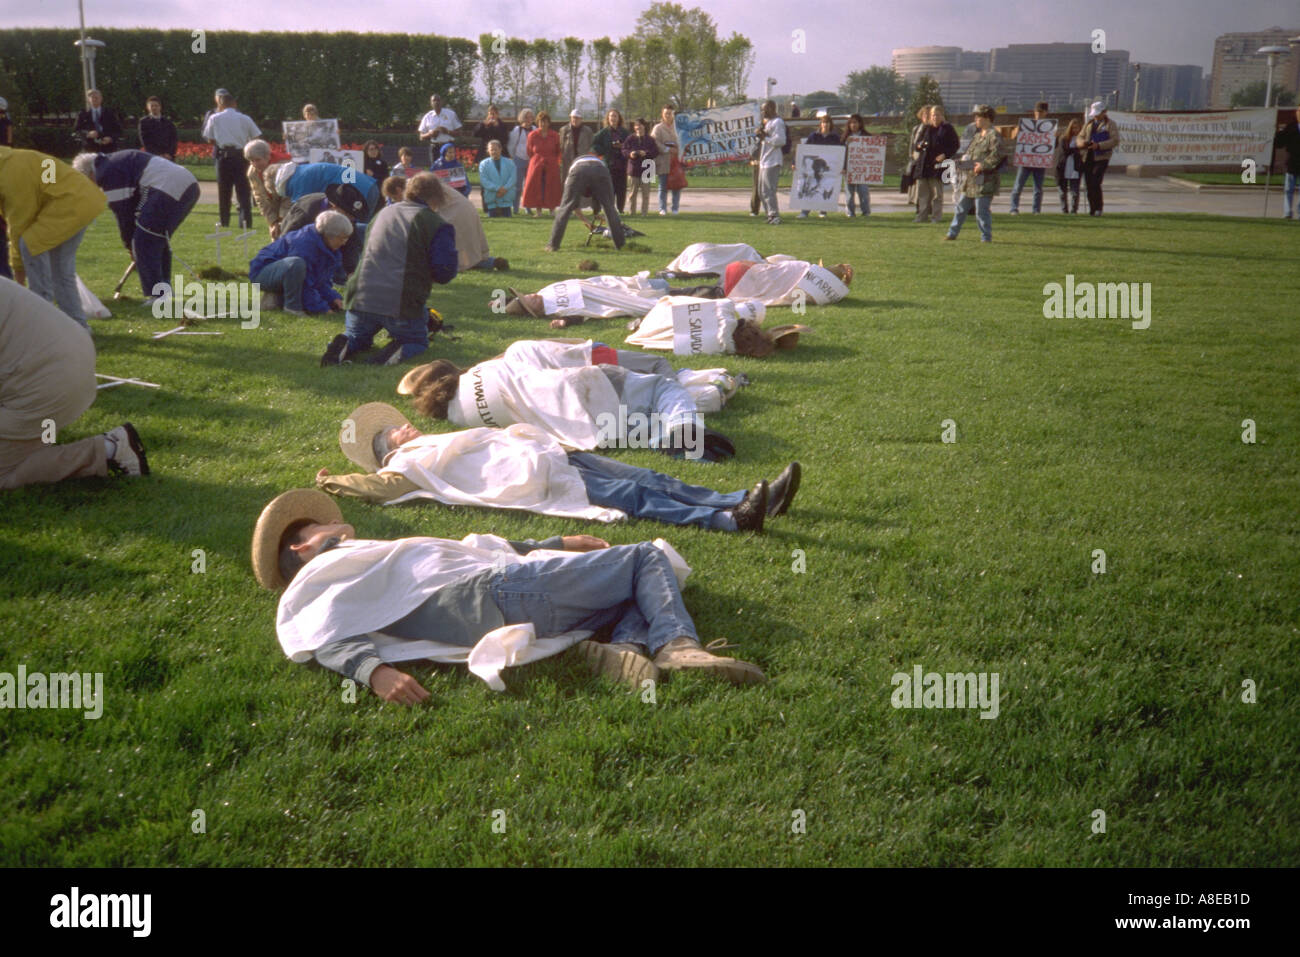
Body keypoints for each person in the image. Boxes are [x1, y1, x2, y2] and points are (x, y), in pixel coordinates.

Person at [251, 487, 770, 699]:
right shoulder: (319, 577)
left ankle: (625, 652)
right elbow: (323, 632)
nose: (337, 528)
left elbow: (459, 548)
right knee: (645, 558)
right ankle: (678, 646)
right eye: (320, 529)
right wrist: (376, 673)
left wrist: (552, 542)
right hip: (495, 594)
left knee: (632, 583)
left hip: (495, 592)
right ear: (299, 546)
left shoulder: (360, 556)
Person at [320, 401, 798, 536]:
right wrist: (330, 482)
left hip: (553, 452)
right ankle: (731, 521)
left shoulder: (437, 439)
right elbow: (377, 489)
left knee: (648, 477)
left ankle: (739, 499)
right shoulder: (407, 465)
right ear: (388, 450)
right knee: (633, 498)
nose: (405, 430)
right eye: (395, 434)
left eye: (402, 427)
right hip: (535, 475)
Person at [398, 351, 727, 459]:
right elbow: (560, 356)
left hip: (584, 433)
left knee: (638, 421)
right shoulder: (493, 365)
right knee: (663, 387)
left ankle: (663, 438)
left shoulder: (461, 420)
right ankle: (685, 430)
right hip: (589, 390)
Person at [0, 278, 151, 489]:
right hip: (65, 364)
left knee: (4, 472)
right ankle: (44, 439)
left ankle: (110, 449)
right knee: (42, 431)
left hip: (48, 382)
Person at [320, 172, 458, 367]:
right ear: (436, 197)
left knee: (356, 335)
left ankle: (344, 344)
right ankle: (394, 351)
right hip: (399, 302)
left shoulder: (382, 214)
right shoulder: (436, 224)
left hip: (360, 296)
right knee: (416, 340)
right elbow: (445, 271)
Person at [73, 150, 200, 302]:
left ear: (89, 174)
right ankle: (164, 290)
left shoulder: (108, 173)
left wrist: (130, 245)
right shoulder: (113, 161)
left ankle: (158, 295)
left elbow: (123, 213)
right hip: (189, 184)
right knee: (156, 237)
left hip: (168, 187)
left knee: (145, 239)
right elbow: (132, 206)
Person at [0, 147, 106, 330]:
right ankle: (77, 327)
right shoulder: (12, 161)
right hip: (85, 200)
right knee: (61, 271)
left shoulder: (10, 174)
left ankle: (43, 325)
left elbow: (20, 222)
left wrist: (18, 269)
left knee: (31, 244)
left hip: (71, 203)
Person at [250, 209, 351, 315]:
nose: (344, 243)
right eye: (342, 238)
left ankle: (276, 298)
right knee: (296, 264)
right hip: (262, 273)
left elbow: (320, 281)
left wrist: (333, 298)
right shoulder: (304, 245)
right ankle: (292, 308)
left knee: (297, 267)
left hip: (284, 273)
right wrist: (323, 309)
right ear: (329, 235)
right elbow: (305, 284)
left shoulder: (329, 247)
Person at [415, 172, 507, 271]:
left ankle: (489, 262)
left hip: (455, 214)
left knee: (456, 254)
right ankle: (491, 262)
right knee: (470, 252)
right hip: (466, 211)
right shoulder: (436, 186)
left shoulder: (424, 189)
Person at [276, 183, 368, 279]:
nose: (350, 219)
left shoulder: (347, 217)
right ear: (334, 206)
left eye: (352, 217)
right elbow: (286, 240)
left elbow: (350, 243)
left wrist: (351, 271)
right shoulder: (306, 212)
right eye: (348, 215)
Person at [944, 104, 1003, 243]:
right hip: (971, 179)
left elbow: (997, 155)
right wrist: (962, 162)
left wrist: (983, 165)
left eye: (979, 117)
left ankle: (986, 237)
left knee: (981, 211)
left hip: (985, 179)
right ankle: (952, 233)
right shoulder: (977, 135)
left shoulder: (994, 135)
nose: (976, 119)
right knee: (961, 207)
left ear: (987, 118)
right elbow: (970, 154)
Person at [545, 151, 626, 252]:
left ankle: (552, 245)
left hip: (579, 170)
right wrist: (587, 220)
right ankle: (621, 245)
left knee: (565, 208)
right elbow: (601, 200)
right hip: (600, 170)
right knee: (610, 208)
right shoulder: (599, 165)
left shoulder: (573, 171)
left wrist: (592, 215)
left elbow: (571, 204)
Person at [202, 91, 261, 229]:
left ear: (221, 105)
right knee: (243, 191)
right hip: (241, 156)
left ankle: (224, 222)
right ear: (234, 104)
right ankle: (245, 222)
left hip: (224, 156)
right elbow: (256, 136)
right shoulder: (245, 118)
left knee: (224, 191)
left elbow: (209, 138)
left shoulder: (214, 118)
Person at [271, 161, 381, 220]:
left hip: (358, 192)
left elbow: (302, 210)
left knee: (356, 230)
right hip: (368, 185)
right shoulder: (302, 171)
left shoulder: (297, 182)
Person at [915, 106, 958, 224]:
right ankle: (922, 216)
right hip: (924, 165)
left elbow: (955, 145)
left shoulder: (947, 129)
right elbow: (917, 144)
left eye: (937, 115)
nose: (935, 117)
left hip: (937, 165)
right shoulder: (926, 128)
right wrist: (919, 146)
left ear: (942, 116)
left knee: (936, 194)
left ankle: (936, 217)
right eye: (933, 115)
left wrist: (945, 154)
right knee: (923, 194)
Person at [1077, 101, 1120, 216]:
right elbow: (1079, 137)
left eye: (1098, 113)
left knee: (1096, 182)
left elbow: (1115, 140)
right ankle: (1092, 209)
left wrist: (1099, 145)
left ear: (1104, 112)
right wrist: (1082, 143)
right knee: (1089, 184)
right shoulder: (1088, 124)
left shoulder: (1111, 124)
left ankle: (1098, 208)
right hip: (1088, 156)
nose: (1096, 115)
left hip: (1101, 157)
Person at [243, 140, 292, 238]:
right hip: (273, 205)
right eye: (251, 161)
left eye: (258, 160)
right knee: (275, 237)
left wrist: (282, 220)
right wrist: (273, 222)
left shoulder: (284, 168)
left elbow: (288, 196)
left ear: (268, 156)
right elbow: (260, 198)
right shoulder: (252, 172)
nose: (254, 164)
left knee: (289, 235)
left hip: (291, 206)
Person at [798, 111, 841, 219]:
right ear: (820, 124)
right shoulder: (814, 136)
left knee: (826, 186)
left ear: (831, 124)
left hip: (828, 168)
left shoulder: (835, 138)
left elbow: (841, 152)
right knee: (810, 187)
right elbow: (804, 149)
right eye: (823, 122)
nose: (825, 124)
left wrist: (842, 166)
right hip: (814, 167)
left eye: (827, 122)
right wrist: (796, 163)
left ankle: (823, 211)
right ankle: (804, 211)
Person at [1010, 101, 1051, 215]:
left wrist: (1054, 137)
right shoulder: (1026, 125)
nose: (1038, 114)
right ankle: (1014, 208)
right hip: (1026, 160)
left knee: (1038, 188)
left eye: (1041, 112)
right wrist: (1017, 132)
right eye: (1037, 111)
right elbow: (1015, 138)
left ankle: (1036, 210)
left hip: (1040, 161)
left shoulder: (1049, 127)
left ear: (1046, 113)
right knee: (1018, 186)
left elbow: (1052, 146)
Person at [521, 111, 561, 213]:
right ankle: (538, 211)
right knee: (536, 187)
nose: (543, 124)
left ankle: (552, 210)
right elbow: (529, 151)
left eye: (545, 121)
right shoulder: (532, 135)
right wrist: (537, 159)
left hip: (551, 163)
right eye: (540, 121)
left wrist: (551, 159)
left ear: (549, 123)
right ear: (537, 122)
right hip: (536, 163)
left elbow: (558, 150)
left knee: (551, 186)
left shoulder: (555, 135)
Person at [592, 110, 630, 213]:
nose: (613, 118)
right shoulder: (604, 132)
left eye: (615, 116)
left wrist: (622, 146)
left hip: (621, 164)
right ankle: (610, 209)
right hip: (609, 163)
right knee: (609, 189)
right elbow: (594, 143)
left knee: (621, 189)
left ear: (619, 118)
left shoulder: (624, 132)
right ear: (608, 118)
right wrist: (604, 150)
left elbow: (630, 145)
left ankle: (621, 210)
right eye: (611, 116)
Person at [756, 99, 787, 225]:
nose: (763, 112)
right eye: (762, 109)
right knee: (761, 191)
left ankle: (774, 215)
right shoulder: (767, 123)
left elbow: (781, 141)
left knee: (769, 190)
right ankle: (769, 214)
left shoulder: (778, 122)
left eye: (765, 109)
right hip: (764, 160)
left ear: (771, 108)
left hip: (773, 161)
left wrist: (765, 137)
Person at [621, 118, 659, 216]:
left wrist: (645, 153)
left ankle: (644, 213)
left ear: (644, 126)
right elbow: (624, 150)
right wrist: (630, 154)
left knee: (646, 194)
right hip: (634, 169)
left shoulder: (650, 140)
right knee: (632, 193)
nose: (639, 127)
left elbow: (655, 152)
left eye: (640, 125)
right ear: (634, 127)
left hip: (647, 169)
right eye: (636, 125)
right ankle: (632, 212)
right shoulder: (630, 139)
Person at [651, 104, 681, 215]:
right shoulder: (658, 128)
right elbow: (654, 142)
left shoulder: (678, 127)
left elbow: (683, 140)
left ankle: (675, 208)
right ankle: (662, 208)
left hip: (676, 161)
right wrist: (667, 149)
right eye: (666, 113)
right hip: (663, 160)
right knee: (663, 186)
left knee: (676, 186)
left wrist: (678, 149)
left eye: (670, 113)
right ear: (662, 115)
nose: (668, 115)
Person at [73, 89, 122, 155]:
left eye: (97, 97)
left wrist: (111, 138)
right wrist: (88, 134)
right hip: (90, 149)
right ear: (88, 100)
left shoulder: (110, 113)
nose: (95, 99)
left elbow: (118, 130)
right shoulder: (82, 114)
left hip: (109, 148)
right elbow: (77, 130)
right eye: (92, 98)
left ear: (101, 99)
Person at [417, 94, 461, 166]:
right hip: (435, 147)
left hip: (448, 147)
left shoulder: (451, 114)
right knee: (436, 170)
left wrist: (447, 131)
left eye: (438, 100)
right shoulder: (427, 116)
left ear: (442, 102)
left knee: (450, 168)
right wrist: (430, 134)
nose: (436, 102)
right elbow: (421, 137)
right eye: (434, 100)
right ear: (431, 103)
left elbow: (459, 133)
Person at [507, 108, 536, 214]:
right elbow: (511, 145)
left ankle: (528, 208)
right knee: (518, 186)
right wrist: (514, 157)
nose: (529, 119)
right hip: (519, 159)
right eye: (527, 117)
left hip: (531, 160)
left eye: (530, 117)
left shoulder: (535, 129)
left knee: (528, 186)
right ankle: (515, 208)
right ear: (522, 118)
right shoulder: (517, 130)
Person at [843, 114, 871, 218]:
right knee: (849, 193)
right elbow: (841, 153)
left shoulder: (867, 136)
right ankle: (850, 213)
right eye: (851, 123)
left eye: (855, 122)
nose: (853, 125)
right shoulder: (845, 137)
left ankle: (866, 212)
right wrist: (846, 143)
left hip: (862, 170)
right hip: (849, 169)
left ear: (860, 124)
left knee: (863, 192)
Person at [478, 139, 516, 217]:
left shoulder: (510, 162)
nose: (494, 152)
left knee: (507, 219)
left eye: (496, 149)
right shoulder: (483, 164)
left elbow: (513, 178)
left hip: (506, 196)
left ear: (500, 149)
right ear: (488, 151)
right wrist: (498, 189)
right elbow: (484, 180)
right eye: (491, 150)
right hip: (492, 197)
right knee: (493, 217)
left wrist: (505, 189)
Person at [1054, 118, 1084, 214]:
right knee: (1062, 192)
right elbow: (1064, 152)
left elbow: (1083, 151)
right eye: (1073, 128)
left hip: (1076, 168)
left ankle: (1074, 210)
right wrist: (1075, 150)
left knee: (1074, 191)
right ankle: (1064, 210)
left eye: (1077, 128)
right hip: (1064, 167)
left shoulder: (1081, 139)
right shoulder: (1064, 139)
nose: (1075, 130)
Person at [1276, 107, 1300, 220]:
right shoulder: (1291, 128)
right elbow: (1280, 142)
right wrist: (1276, 133)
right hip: (1292, 162)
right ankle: (1287, 212)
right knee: (1288, 189)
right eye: (1298, 111)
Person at [137, 96, 178, 160]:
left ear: (160, 107)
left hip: (169, 157)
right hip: (153, 156)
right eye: (152, 106)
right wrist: (158, 154)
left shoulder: (168, 122)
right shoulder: (144, 122)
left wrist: (169, 153)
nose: (154, 108)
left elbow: (173, 139)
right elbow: (145, 141)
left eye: (156, 105)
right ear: (147, 107)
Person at [560, 110, 594, 181]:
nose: (575, 120)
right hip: (567, 162)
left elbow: (591, 144)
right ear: (570, 118)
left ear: (581, 119)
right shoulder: (564, 130)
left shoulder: (588, 131)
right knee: (567, 182)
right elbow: (561, 145)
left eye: (577, 118)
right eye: (573, 118)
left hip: (582, 161)